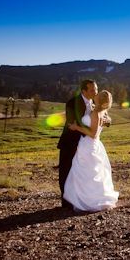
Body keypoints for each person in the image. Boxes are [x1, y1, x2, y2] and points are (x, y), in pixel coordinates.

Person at [63, 90, 119, 212]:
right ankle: (92, 197)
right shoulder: (103, 112)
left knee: (84, 172)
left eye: (97, 95)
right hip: (93, 145)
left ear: (98, 100)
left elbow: (93, 134)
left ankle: (86, 201)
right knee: (91, 173)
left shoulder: (96, 113)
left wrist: (76, 127)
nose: (95, 95)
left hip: (88, 144)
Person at [57, 79, 98, 208]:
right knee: (66, 171)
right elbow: (72, 124)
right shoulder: (72, 103)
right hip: (71, 142)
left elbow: (101, 116)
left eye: (96, 89)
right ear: (84, 91)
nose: (95, 92)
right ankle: (66, 201)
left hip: (87, 144)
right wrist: (90, 132)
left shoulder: (95, 103)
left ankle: (81, 199)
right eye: (92, 90)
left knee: (84, 173)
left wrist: (106, 121)